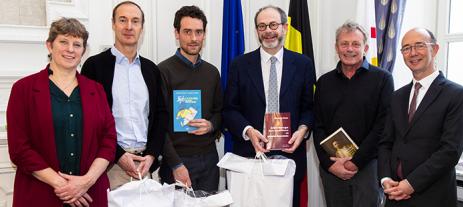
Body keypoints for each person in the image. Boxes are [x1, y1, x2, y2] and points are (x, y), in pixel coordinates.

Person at [7, 17, 116, 207]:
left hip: (90, 195)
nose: (70, 49)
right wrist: (64, 185)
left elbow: (109, 140)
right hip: (41, 194)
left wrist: (86, 181)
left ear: (83, 51)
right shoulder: (23, 89)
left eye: (77, 44)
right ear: (50, 46)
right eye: (63, 42)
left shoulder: (96, 90)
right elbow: (19, 148)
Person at [223, 5, 315, 207]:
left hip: (289, 158)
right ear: (257, 31)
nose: (268, 31)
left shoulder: (303, 64)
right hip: (249, 158)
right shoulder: (239, 65)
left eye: (273, 24)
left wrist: (303, 129)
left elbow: (309, 108)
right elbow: (229, 109)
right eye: (262, 26)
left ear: (285, 27)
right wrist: (248, 131)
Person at [378, 28, 463, 207]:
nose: (412, 53)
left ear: (435, 49)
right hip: (395, 195)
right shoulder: (397, 96)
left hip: (433, 196)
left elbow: (450, 151)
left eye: (419, 46)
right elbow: (386, 142)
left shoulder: (457, 95)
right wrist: (385, 178)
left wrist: (411, 184)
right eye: (406, 48)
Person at [81, 1, 168, 189]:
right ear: (113, 24)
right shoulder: (94, 67)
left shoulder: (151, 69)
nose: (129, 26)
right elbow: (90, 120)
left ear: (141, 28)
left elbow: (161, 115)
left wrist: (152, 155)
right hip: (110, 167)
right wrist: (118, 155)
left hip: (147, 167)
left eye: (135, 21)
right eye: (123, 20)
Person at [313, 21, 394, 207]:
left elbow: (383, 125)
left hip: (368, 166)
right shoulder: (324, 82)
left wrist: (355, 162)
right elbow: (317, 125)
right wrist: (328, 164)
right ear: (336, 47)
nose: (350, 49)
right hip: (332, 167)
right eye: (344, 44)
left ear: (365, 47)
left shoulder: (382, 79)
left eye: (356, 44)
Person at [156, 5, 222, 191]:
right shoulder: (163, 71)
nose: (194, 39)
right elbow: (158, 124)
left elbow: (219, 112)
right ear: (176, 33)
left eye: (198, 32)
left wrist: (210, 125)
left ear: (204, 34)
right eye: (187, 32)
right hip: (176, 161)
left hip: (209, 160)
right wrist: (176, 164)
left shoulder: (212, 72)